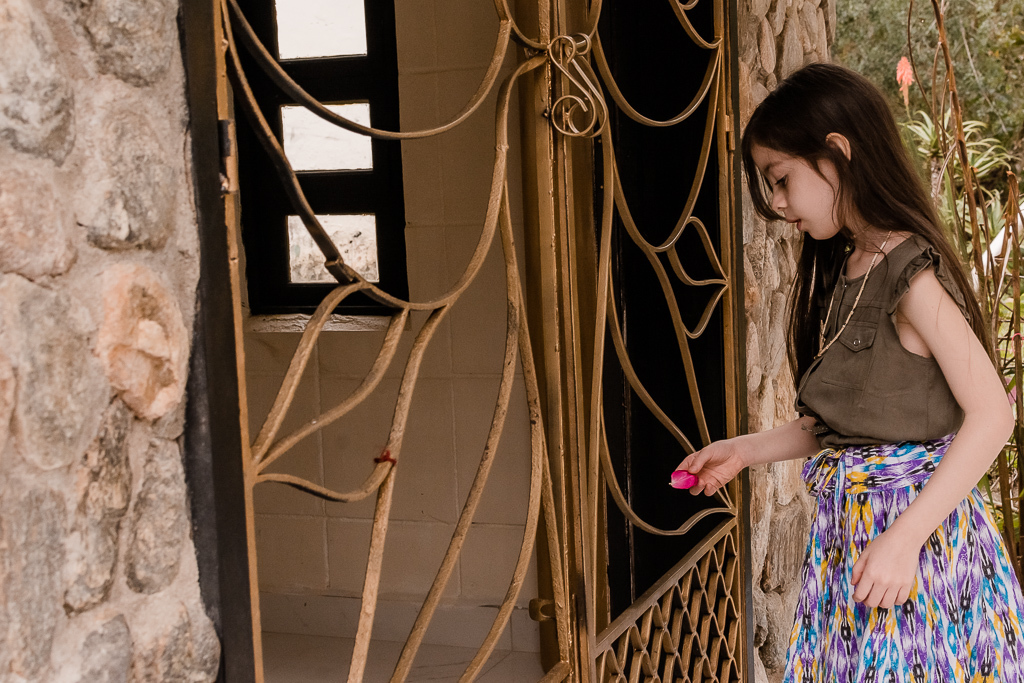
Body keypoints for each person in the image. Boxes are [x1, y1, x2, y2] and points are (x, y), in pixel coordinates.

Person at [674, 63, 1024, 681]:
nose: (776, 202)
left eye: (781, 179)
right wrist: (741, 451)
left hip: (918, 557)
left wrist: (905, 539)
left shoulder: (909, 273)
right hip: (856, 549)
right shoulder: (850, 267)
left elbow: (994, 415)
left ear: (836, 153)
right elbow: (847, 427)